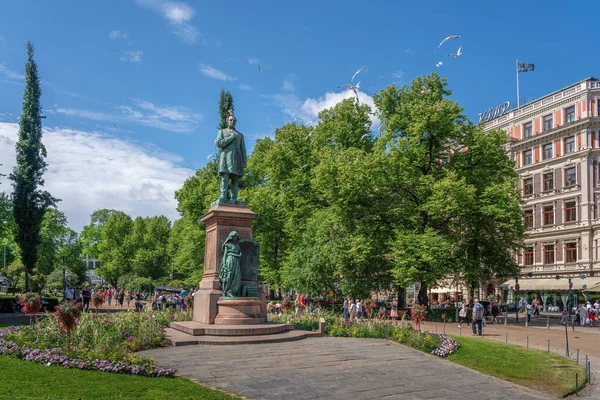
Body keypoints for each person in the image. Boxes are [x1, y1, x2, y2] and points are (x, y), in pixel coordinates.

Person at [215, 109, 247, 203]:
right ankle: (223, 196)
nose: (232, 121)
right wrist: (231, 137)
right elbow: (219, 144)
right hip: (225, 158)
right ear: (227, 121)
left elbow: (243, 149)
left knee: (235, 179)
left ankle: (234, 198)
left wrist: (244, 160)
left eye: (234, 120)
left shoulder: (240, 135)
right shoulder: (222, 132)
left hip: (237, 159)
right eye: (230, 120)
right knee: (224, 177)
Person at [219, 231, 243, 297]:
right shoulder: (228, 244)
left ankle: (233, 290)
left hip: (236, 260)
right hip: (230, 260)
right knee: (230, 275)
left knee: (237, 275)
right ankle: (228, 291)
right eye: (234, 236)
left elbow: (239, 252)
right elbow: (225, 255)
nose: (235, 238)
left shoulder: (237, 244)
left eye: (236, 236)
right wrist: (224, 264)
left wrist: (240, 254)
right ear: (231, 237)